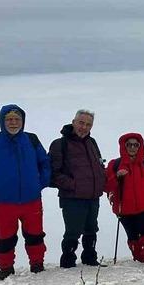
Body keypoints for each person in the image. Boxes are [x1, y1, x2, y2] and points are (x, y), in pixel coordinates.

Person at [0, 105, 51, 279]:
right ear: (2, 121)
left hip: (31, 200)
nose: (13, 122)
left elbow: (45, 163)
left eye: (17, 119)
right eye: (9, 119)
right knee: (5, 238)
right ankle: (6, 269)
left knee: (35, 235)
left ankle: (37, 265)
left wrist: (40, 183)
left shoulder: (31, 140)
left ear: (23, 121)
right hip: (2, 202)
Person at [49, 109, 107, 268]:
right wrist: (74, 185)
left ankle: (89, 258)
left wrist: (102, 180)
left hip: (93, 196)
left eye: (88, 124)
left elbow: (100, 165)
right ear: (73, 122)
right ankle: (68, 261)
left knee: (91, 229)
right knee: (73, 231)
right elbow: (53, 174)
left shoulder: (92, 142)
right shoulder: (59, 144)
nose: (84, 127)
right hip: (72, 198)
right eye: (81, 123)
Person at [105, 133, 144, 263]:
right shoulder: (115, 164)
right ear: (124, 146)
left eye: (136, 145)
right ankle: (138, 259)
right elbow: (107, 186)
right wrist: (117, 177)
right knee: (132, 235)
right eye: (129, 144)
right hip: (123, 207)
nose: (133, 147)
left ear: (140, 146)